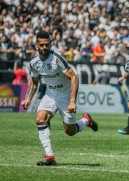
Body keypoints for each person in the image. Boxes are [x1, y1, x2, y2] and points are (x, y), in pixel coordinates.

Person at [21, 31, 98, 166]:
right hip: (50, 94)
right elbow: (34, 81)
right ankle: (50, 156)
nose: (44, 47)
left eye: (47, 45)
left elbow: (74, 77)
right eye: (42, 45)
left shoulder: (57, 58)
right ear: (36, 45)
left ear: (50, 44)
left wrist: (72, 100)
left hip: (65, 94)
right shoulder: (34, 62)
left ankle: (86, 120)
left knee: (70, 131)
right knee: (40, 119)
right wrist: (28, 98)